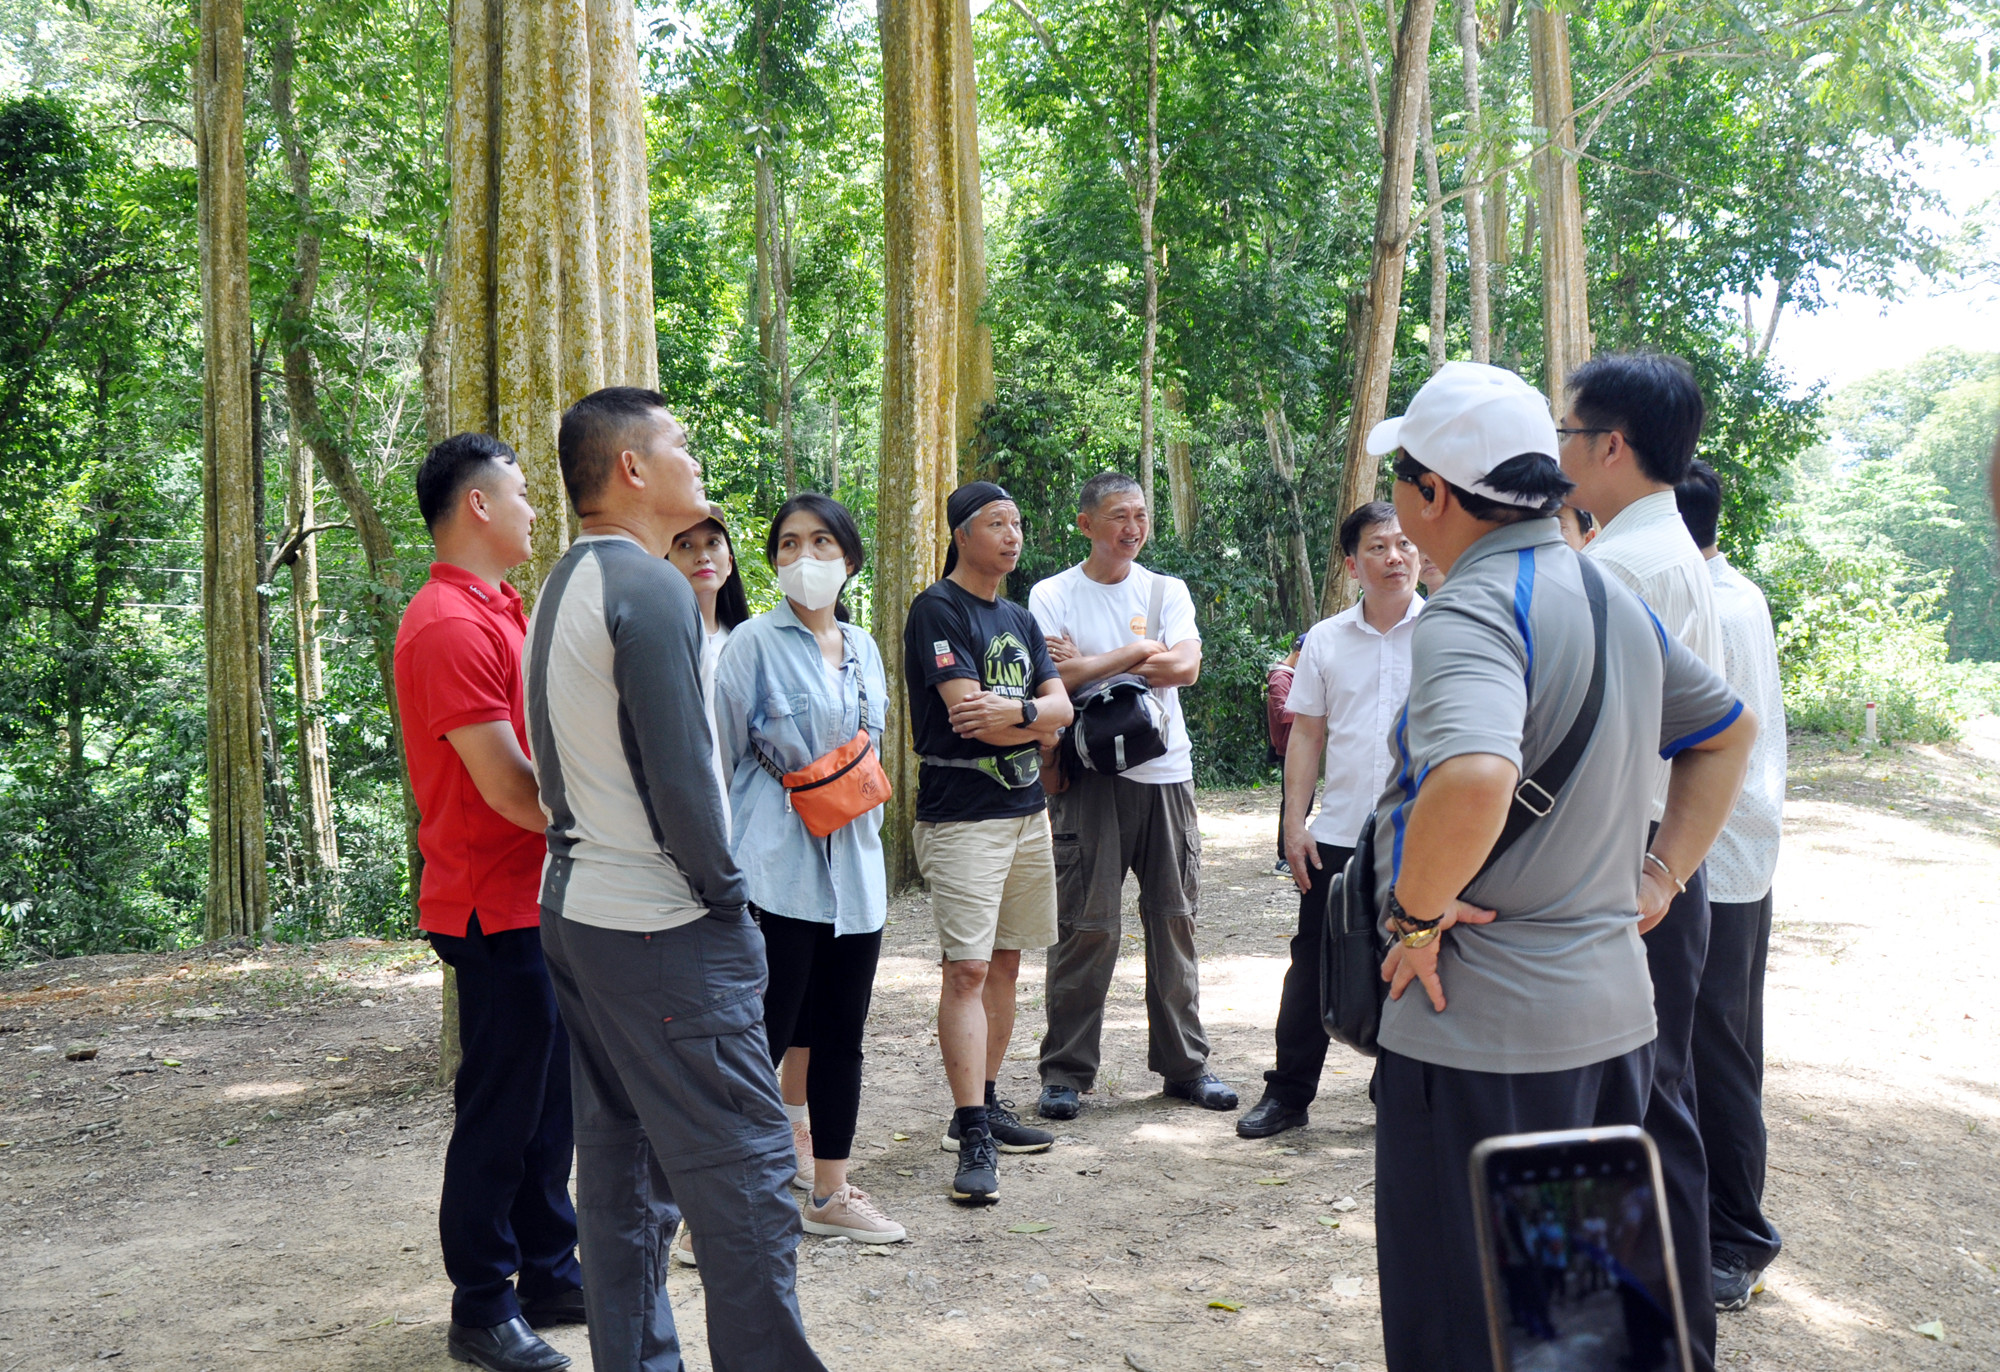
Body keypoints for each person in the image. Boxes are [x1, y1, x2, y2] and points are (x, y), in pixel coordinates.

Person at [1364, 361, 1754, 1372]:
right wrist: (1660, 875)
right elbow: (1724, 728)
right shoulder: (1605, 592)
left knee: (1465, 1328)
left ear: (1433, 494)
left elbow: (1476, 772)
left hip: (1482, 1039)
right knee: (1573, 1329)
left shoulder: (1471, 610)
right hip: (1607, 1022)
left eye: (1401, 476)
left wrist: (1414, 915)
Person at [524, 387, 827, 1372]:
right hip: (660, 928)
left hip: (581, 913)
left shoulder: (566, 580)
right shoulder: (646, 588)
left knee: (621, 1177)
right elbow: (682, 787)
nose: (694, 459)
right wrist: (730, 902)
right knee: (743, 1177)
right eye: (679, 443)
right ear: (631, 471)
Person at [395, 433, 578, 1372]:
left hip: (534, 894)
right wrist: (612, 811)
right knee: (502, 1109)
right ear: (476, 505)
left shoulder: (499, 611)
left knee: (551, 1103)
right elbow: (510, 791)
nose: (534, 509)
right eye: (519, 494)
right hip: (488, 904)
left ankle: (550, 1266)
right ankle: (481, 1303)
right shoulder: (448, 624)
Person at [1562, 351, 1729, 1367]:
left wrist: (1653, 874)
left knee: (1632, 1114)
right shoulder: (1654, 548)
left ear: (1609, 445)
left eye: (1567, 434)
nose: (1559, 452)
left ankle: (1659, 1341)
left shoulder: (1624, 568)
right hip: (1655, 866)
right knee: (1649, 1107)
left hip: (1630, 871)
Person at [712, 492, 904, 1245]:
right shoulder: (752, 645)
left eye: (822, 542)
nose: (805, 558)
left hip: (855, 874)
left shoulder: (865, 646)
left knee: (840, 1035)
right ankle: (724, 1209)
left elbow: (875, 749)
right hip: (773, 870)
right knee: (764, 1035)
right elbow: (718, 760)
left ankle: (829, 1193)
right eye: (789, 545)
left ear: (849, 559)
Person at [1031, 473, 1239, 1120]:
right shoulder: (1051, 593)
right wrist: (1138, 649)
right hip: (1088, 779)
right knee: (1085, 927)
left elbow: (1186, 668)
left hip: (1165, 775)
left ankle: (1185, 1066)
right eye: (1119, 514)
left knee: (1174, 919)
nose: (1133, 526)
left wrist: (1093, 662)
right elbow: (1052, 676)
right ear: (1086, 523)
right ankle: (1065, 1073)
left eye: (1141, 514)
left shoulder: (1165, 589)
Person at [903, 480, 1074, 1205]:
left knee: (1007, 962)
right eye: (997, 524)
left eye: (1018, 523)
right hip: (962, 812)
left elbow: (1059, 711)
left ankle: (985, 1101)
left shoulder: (1018, 616)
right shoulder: (936, 609)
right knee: (967, 971)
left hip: (1025, 809)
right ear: (962, 534)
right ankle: (971, 1130)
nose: (1012, 536)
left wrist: (1026, 712)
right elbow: (966, 718)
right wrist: (1034, 717)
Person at [1240, 501, 1421, 1140]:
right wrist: (1295, 824)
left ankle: (1399, 1089)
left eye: (1403, 544)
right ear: (1352, 564)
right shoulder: (1325, 640)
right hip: (1341, 834)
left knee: (1417, 960)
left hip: (1422, 837)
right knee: (1313, 962)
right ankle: (1288, 1095)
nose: (1394, 557)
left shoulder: (1446, 630)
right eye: (1377, 547)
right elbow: (1307, 736)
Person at [1676, 459, 1787, 1311]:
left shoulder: (1705, 601)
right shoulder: (1735, 590)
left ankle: (1740, 1235)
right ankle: (1716, 1224)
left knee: (1717, 1055)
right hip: (1736, 854)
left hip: (1714, 857)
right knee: (1718, 1046)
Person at [660, 507, 761, 1272]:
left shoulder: (748, 643)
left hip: (753, 855)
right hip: (676, 863)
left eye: (712, 543)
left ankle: (720, 1211)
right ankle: (682, 1216)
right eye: (684, 545)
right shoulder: (658, 641)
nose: (701, 556)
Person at [1265, 634, 1305, 876]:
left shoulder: (1291, 677)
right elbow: (1282, 713)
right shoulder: (1281, 677)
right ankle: (1283, 858)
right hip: (1288, 748)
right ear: (1299, 656)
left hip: (1295, 747)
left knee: (1302, 801)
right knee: (1293, 801)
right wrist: (1312, 707)